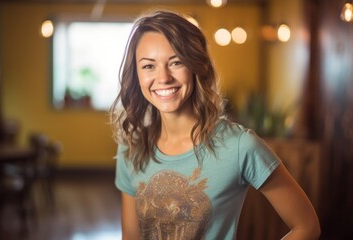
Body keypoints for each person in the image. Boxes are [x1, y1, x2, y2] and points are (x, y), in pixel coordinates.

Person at [110, 9, 320, 240]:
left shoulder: (240, 146)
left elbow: (307, 226)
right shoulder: (132, 146)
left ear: (195, 66)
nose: (163, 78)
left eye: (176, 62)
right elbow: (131, 236)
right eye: (149, 66)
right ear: (136, 74)